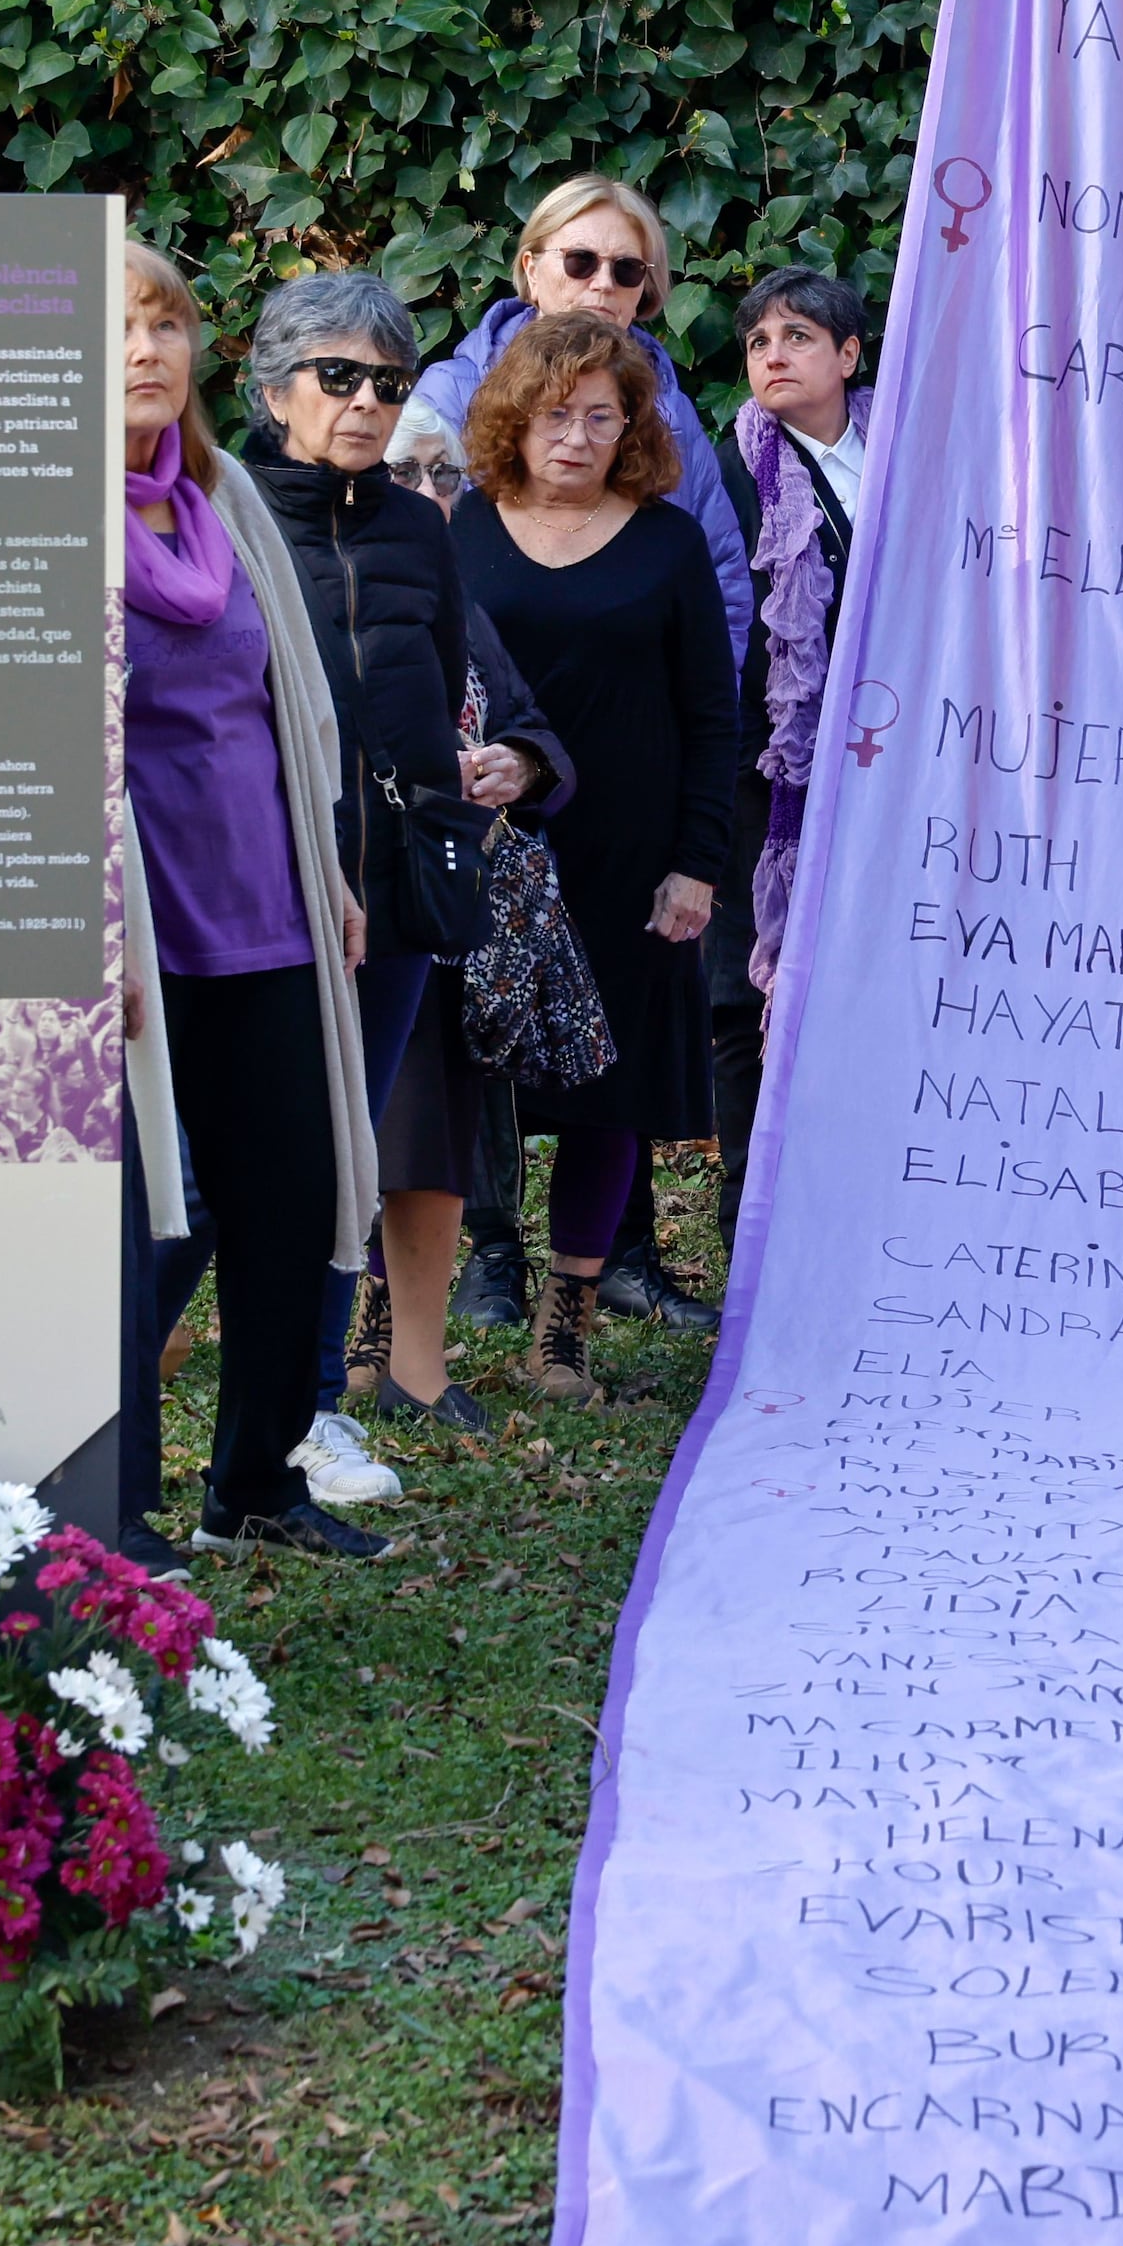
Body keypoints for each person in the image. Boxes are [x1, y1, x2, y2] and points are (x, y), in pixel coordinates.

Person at [239, 271, 568, 1437]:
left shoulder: (417, 527)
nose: (367, 402)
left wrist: (498, 771)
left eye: (385, 381)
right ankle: (219, 1423)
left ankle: (312, 1410)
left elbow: (453, 684)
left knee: (347, 1159)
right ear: (274, 385)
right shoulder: (225, 516)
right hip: (256, 897)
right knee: (249, 1167)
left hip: (400, 899)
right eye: (339, 377)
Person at [114, 247, 391, 1562]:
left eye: (165, 320)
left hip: (268, 907)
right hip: (134, 926)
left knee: (291, 1201)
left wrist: (328, 868)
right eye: (116, 326)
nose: (147, 348)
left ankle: (260, 1488)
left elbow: (290, 711)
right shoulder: (34, 514)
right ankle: (110, 1507)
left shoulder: (224, 501)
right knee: (132, 1225)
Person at [456, 314, 737, 1405]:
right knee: (451, 1083)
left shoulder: (666, 542)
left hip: (631, 861)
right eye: (554, 414)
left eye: (599, 417)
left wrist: (696, 864)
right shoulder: (459, 529)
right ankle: (414, 1305)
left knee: (608, 1089)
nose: (574, 437)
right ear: (513, 418)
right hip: (487, 849)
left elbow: (711, 718)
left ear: (630, 428)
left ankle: (563, 1322)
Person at [697, 265, 877, 1325]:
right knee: (740, 991)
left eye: (798, 335)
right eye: (757, 337)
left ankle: (850, 1216)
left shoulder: (902, 459)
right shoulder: (727, 473)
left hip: (884, 765)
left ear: (848, 357)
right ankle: (745, 1225)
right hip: (759, 765)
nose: (772, 353)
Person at [396, 173, 753, 660]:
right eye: (580, 261)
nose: (603, 284)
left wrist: (706, 720)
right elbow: (406, 557)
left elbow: (720, 582)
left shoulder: (670, 411)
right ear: (532, 269)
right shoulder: (454, 391)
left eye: (626, 269)